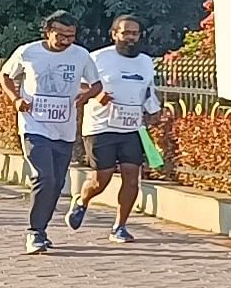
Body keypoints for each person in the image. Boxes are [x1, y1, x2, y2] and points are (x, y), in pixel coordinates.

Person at [0, 11, 101, 254]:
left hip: (64, 130)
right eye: (61, 35)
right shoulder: (28, 51)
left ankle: (42, 230)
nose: (66, 40)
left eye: (71, 36)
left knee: (56, 183)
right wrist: (15, 99)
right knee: (44, 177)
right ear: (47, 32)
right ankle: (34, 233)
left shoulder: (81, 55)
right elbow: (5, 75)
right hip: (34, 126)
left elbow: (96, 84)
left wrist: (86, 96)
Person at [68, 16, 162, 243]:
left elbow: (148, 90)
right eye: (125, 33)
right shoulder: (98, 58)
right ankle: (82, 200)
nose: (130, 38)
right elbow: (77, 83)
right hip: (101, 125)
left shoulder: (146, 62)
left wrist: (154, 110)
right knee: (102, 178)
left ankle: (119, 226)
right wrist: (96, 94)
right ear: (114, 34)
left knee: (132, 179)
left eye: (135, 34)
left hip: (132, 127)